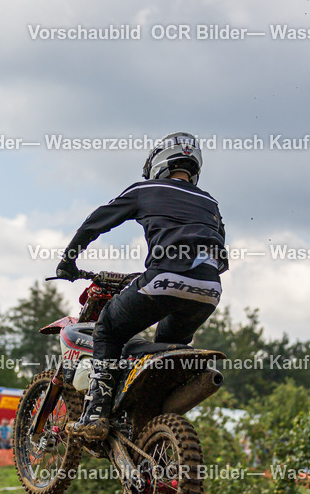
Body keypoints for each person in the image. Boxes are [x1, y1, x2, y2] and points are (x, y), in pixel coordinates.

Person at [56, 132, 228, 441]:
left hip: (163, 280)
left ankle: (96, 414)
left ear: (158, 163)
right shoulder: (210, 202)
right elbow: (219, 257)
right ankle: (151, 424)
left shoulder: (146, 189)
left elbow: (97, 221)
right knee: (167, 350)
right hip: (210, 291)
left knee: (107, 328)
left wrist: (68, 260)